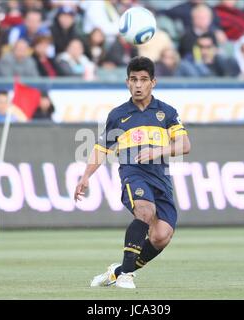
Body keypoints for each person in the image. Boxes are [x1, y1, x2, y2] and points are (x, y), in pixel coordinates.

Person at [74, 56, 191, 289]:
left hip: (160, 179)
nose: (138, 85)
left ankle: (118, 271)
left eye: (144, 80)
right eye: (134, 79)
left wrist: (157, 151)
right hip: (133, 173)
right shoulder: (118, 115)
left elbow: (184, 145)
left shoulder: (166, 113)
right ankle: (126, 276)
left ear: (153, 82)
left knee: (161, 236)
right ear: (127, 82)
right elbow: (101, 148)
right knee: (145, 211)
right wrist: (86, 176)